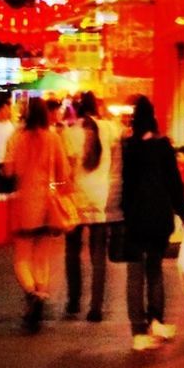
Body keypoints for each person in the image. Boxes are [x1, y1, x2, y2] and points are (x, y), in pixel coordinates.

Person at [121, 94, 184, 352]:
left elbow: (125, 186)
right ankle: (156, 321)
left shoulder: (129, 147)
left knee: (134, 274)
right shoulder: (163, 147)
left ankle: (138, 331)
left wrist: (124, 215)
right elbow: (174, 184)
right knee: (155, 269)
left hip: (135, 217)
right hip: (159, 217)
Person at [3, 95, 71, 332]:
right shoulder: (53, 138)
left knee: (22, 257)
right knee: (42, 257)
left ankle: (31, 294)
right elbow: (65, 171)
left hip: (24, 203)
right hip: (46, 204)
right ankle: (40, 296)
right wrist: (59, 187)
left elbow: (8, 168)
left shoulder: (17, 138)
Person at [63, 92, 114, 322]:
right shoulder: (110, 129)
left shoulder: (70, 133)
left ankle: (74, 301)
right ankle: (96, 307)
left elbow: (66, 168)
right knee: (98, 255)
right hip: (100, 199)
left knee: (72, 252)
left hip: (77, 198)